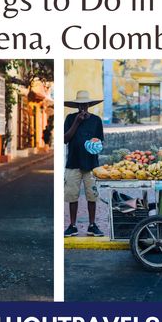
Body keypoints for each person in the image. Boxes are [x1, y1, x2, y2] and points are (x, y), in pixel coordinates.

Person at [64, 90, 105, 238]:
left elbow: (100, 141)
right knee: (72, 196)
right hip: (73, 163)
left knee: (92, 196)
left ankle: (92, 225)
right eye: (80, 105)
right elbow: (65, 139)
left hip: (91, 164)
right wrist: (77, 122)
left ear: (89, 105)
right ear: (76, 106)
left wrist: (95, 145)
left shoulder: (96, 120)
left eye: (85, 105)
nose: (82, 108)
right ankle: (72, 225)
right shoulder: (70, 119)